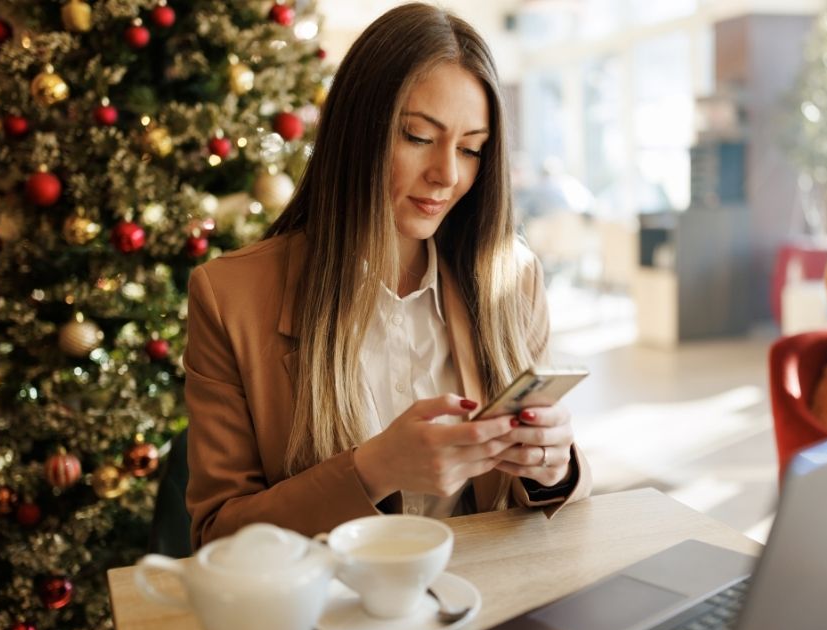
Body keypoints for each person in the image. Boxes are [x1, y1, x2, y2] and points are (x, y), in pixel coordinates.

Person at [184, 2, 591, 548]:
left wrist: (553, 467)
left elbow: (547, 506)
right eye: (419, 137)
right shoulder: (230, 297)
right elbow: (218, 536)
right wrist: (373, 470)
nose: (448, 174)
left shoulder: (511, 280)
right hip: (336, 613)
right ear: (357, 132)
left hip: (486, 605)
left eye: (471, 148)